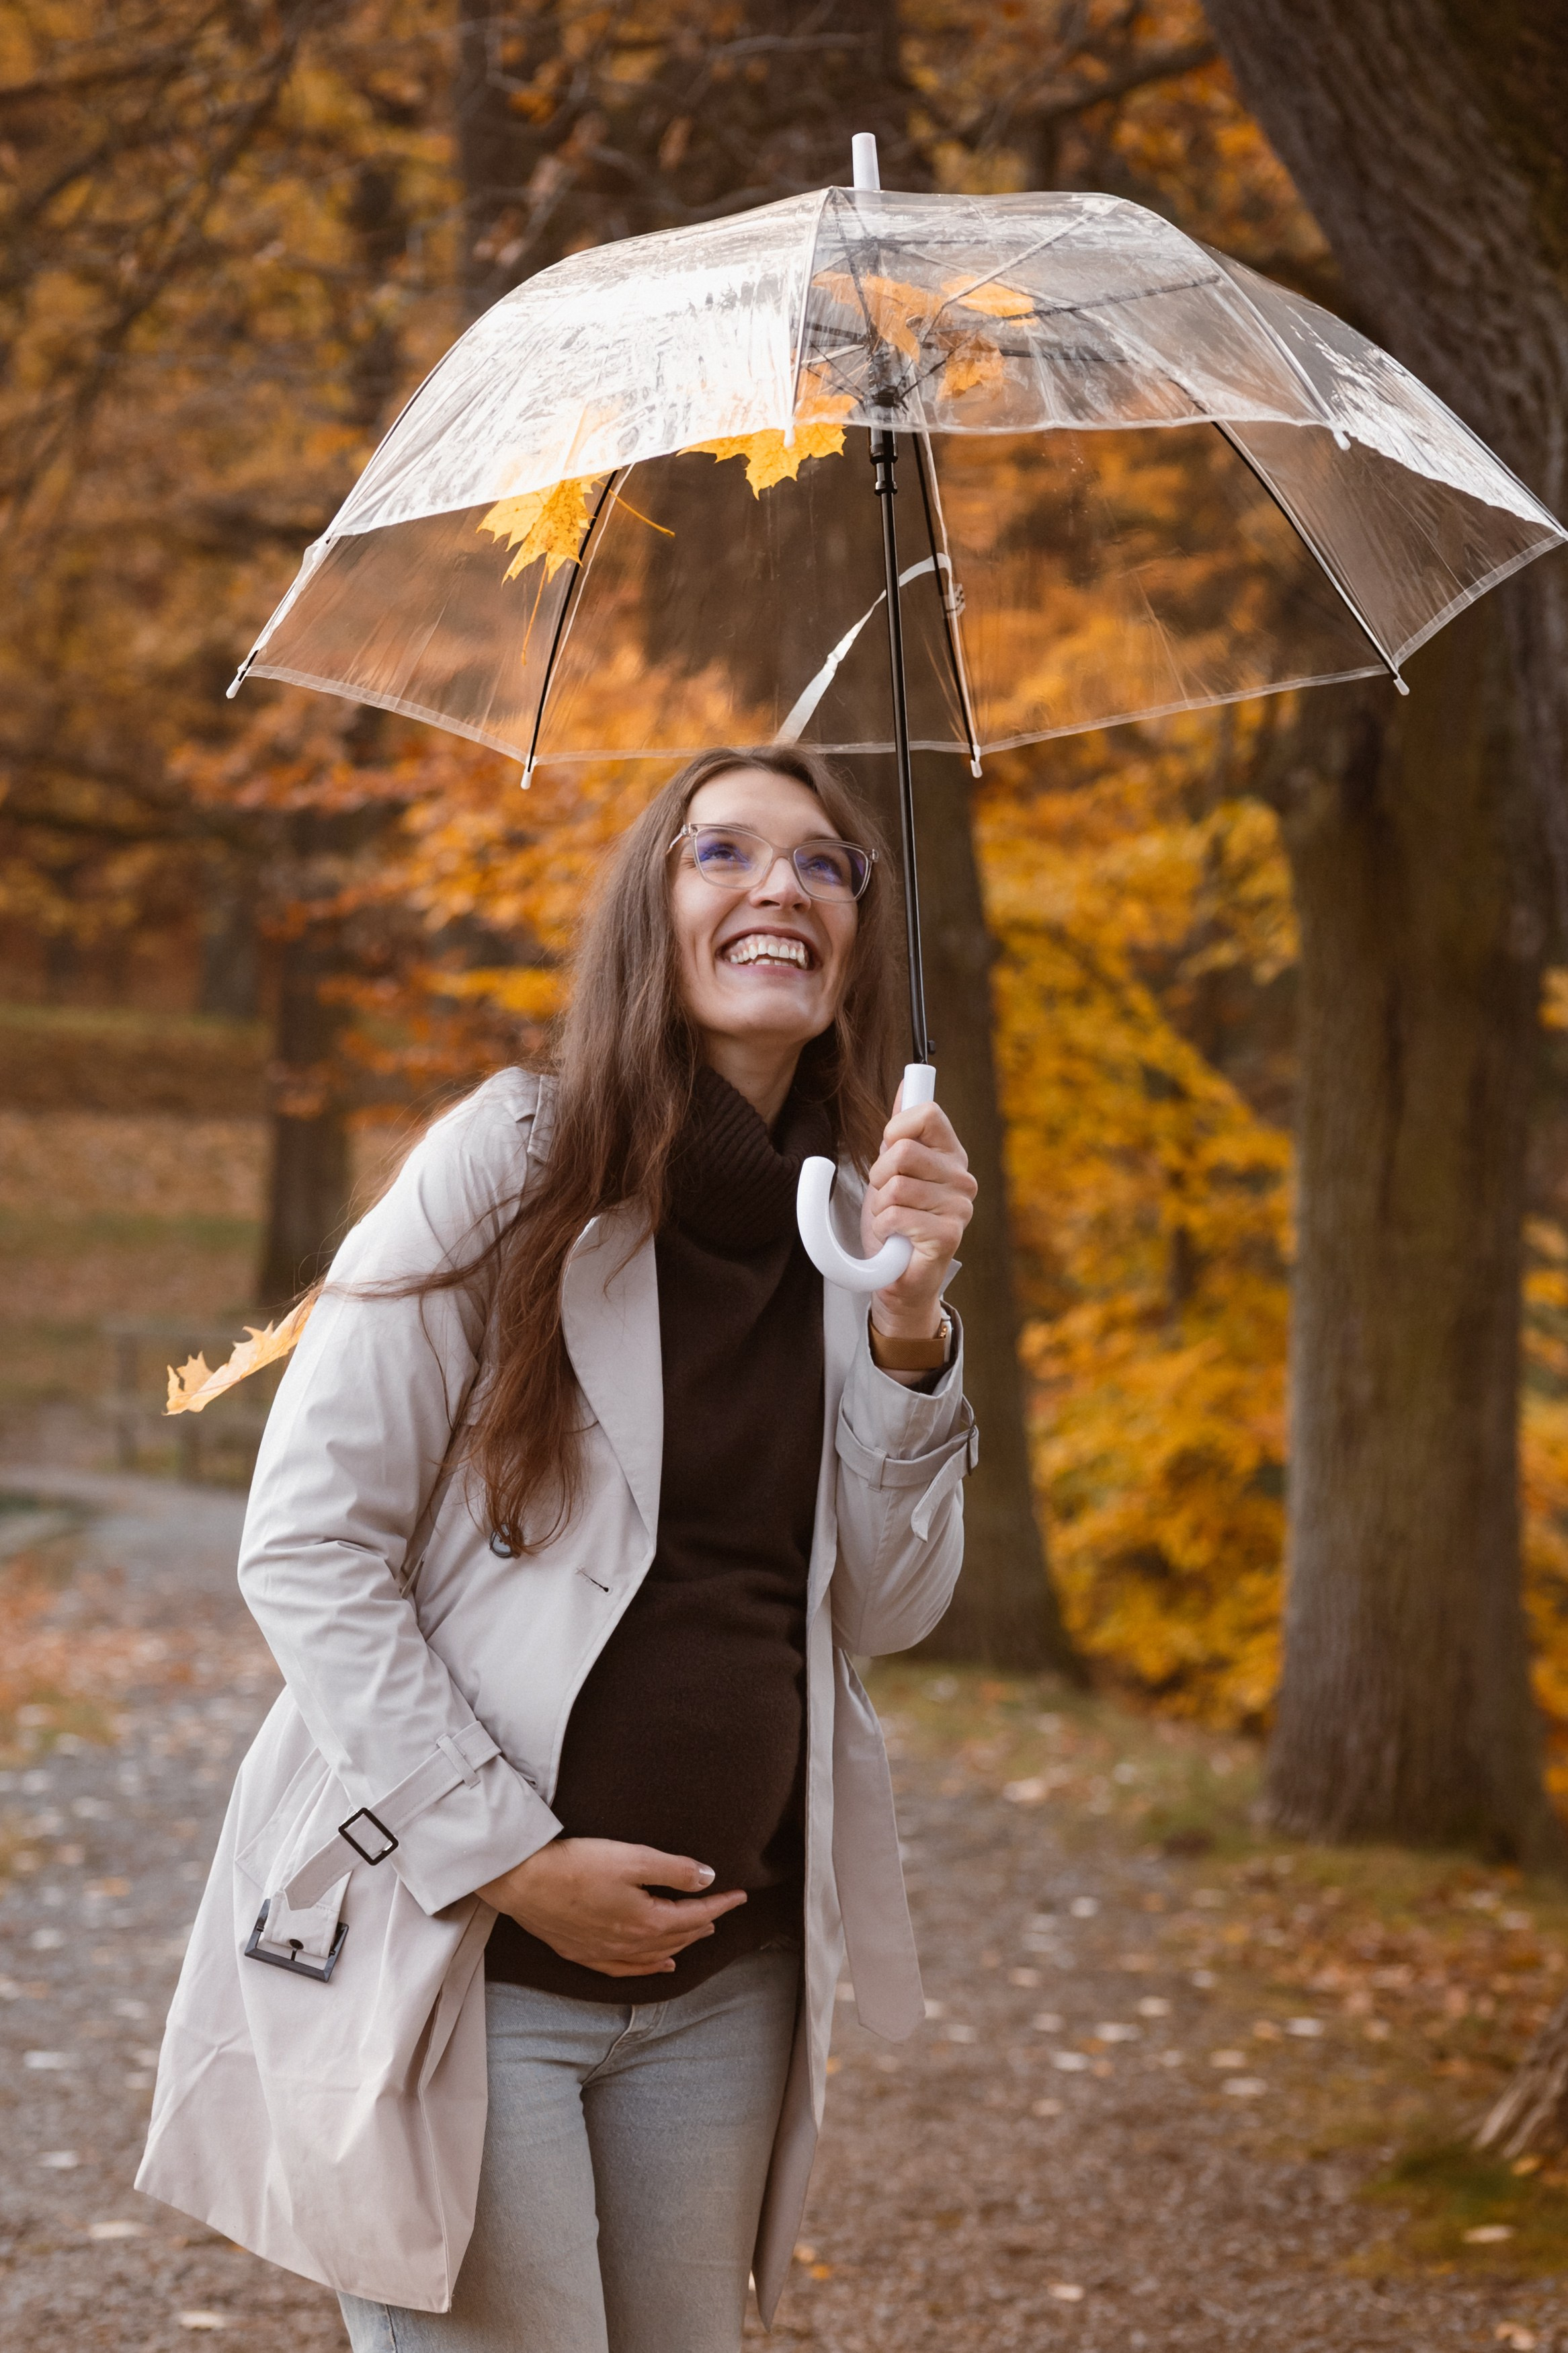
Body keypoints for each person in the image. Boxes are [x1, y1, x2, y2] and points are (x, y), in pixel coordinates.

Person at [144, 745, 977, 2353]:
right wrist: (512, 1860)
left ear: (859, 937)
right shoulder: (514, 1157)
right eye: (723, 850)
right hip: (465, 1957)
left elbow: (887, 1604)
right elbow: (307, 1544)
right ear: (650, 912)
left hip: (725, 1988)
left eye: (825, 864)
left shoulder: (860, 1227)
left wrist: (911, 1325)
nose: (781, 886)